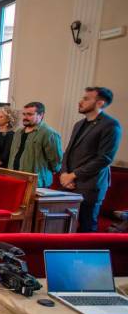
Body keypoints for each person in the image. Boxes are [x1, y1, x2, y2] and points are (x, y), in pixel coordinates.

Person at [60, 87, 122, 233]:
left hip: (91, 185)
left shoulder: (110, 125)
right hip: (69, 183)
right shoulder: (79, 124)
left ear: (100, 103)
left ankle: (85, 256)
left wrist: (73, 175)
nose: (81, 101)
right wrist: (64, 174)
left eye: (86, 99)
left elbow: (104, 158)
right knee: (64, 224)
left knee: (87, 226)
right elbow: (68, 152)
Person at [8, 102, 63, 188]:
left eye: (29, 114)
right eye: (24, 114)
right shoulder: (18, 132)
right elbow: (12, 155)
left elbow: (56, 162)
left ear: (41, 115)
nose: (25, 117)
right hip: (15, 179)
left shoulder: (49, 133)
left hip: (37, 184)